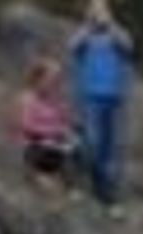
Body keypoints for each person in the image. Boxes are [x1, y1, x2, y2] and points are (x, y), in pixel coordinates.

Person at [69, 0, 133, 211]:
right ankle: (79, 184)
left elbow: (128, 46)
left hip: (113, 97)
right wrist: (88, 25)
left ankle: (105, 193)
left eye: (102, 9)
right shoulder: (85, 36)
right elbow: (72, 46)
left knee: (108, 148)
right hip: (91, 96)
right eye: (95, 10)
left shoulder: (117, 35)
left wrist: (111, 24)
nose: (99, 14)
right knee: (91, 142)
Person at [17, 57, 77, 190]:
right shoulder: (28, 99)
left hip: (55, 144)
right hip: (35, 145)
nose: (53, 84)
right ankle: (37, 175)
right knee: (50, 148)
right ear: (38, 79)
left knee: (75, 145)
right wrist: (52, 131)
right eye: (50, 80)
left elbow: (64, 121)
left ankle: (68, 184)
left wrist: (66, 129)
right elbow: (27, 126)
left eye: (57, 81)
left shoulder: (55, 101)